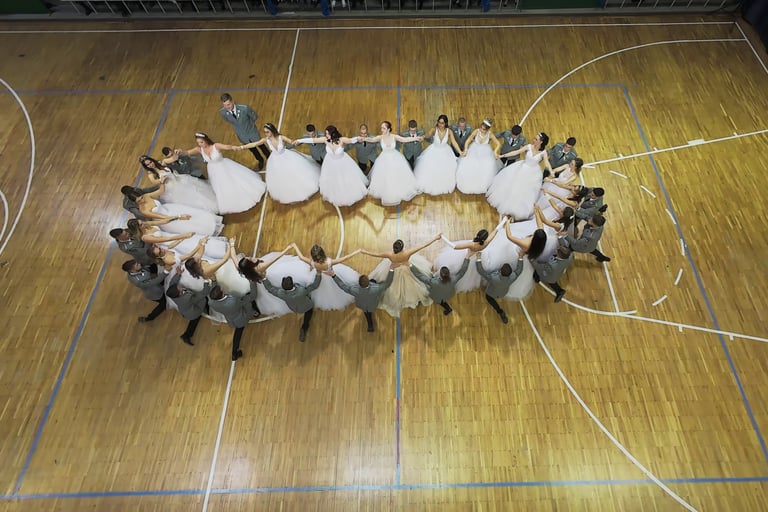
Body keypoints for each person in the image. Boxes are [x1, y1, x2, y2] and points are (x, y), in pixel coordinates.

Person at [181, 132, 266, 214]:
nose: (200, 144)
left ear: (206, 140)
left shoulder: (216, 146)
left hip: (223, 166)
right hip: (213, 171)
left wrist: (236, 147)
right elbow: (187, 152)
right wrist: (179, 152)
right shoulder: (199, 149)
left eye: (201, 142)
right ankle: (232, 202)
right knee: (222, 188)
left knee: (233, 182)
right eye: (199, 143)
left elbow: (227, 147)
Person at [362, 233, 441, 317]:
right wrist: (435, 238)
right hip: (407, 267)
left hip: (394, 268)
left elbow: (376, 255)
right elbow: (423, 245)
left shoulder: (389, 255)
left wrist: (364, 252)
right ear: (402, 248)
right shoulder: (407, 253)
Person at [241, 123, 320, 205]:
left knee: (295, 174)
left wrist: (297, 142)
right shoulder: (266, 140)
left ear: (272, 131)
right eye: (265, 132)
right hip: (275, 161)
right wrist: (241, 147)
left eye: (267, 132)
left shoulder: (281, 137)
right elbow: (254, 144)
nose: (266, 134)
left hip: (287, 157)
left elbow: (291, 142)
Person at [293, 125, 368, 207]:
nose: (326, 135)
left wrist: (358, 138)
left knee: (345, 179)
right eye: (326, 133)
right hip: (330, 163)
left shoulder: (341, 140)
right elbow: (312, 140)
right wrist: (299, 140)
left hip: (342, 163)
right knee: (333, 180)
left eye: (328, 133)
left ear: (333, 134)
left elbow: (351, 140)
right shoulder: (325, 140)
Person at [487, 132, 554, 220]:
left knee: (523, 192)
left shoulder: (543, 153)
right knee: (513, 186)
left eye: (536, 139)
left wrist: (551, 171)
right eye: (534, 138)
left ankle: (515, 208)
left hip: (532, 174)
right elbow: (516, 152)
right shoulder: (529, 146)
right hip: (521, 168)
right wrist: (502, 155)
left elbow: (546, 162)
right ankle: (506, 203)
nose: (534, 140)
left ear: (541, 142)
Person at [122, 186, 223, 236]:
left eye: (141, 198)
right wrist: (178, 217)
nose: (142, 201)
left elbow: (159, 192)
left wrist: (162, 182)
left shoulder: (146, 196)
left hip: (170, 208)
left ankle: (213, 224)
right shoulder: (143, 210)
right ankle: (210, 231)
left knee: (195, 215)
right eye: (139, 201)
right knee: (188, 225)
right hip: (167, 219)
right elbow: (161, 217)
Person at [364, 121, 423, 206]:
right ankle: (387, 193)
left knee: (395, 176)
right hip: (383, 161)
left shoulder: (394, 136)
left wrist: (416, 138)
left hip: (395, 158)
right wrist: (364, 138)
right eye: (381, 128)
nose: (381, 130)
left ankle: (397, 192)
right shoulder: (380, 137)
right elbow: (372, 139)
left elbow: (405, 139)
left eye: (383, 128)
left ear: (388, 129)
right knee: (386, 177)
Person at [291, 243, 362, 310]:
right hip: (331, 276)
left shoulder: (312, 263)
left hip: (320, 277)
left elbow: (301, 257)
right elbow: (344, 258)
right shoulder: (329, 262)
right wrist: (356, 252)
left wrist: (295, 247)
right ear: (322, 253)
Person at [139, 155, 218, 213]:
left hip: (179, 179)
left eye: (150, 162)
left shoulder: (161, 163)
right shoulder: (151, 175)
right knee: (190, 199)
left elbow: (172, 159)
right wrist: (161, 181)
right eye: (148, 164)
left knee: (196, 191)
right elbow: (155, 182)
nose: (151, 164)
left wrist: (175, 156)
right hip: (172, 188)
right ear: (146, 166)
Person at [329, 263, 395, 332]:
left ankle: (370, 325)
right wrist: (391, 269)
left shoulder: (354, 290)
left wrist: (333, 276)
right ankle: (370, 324)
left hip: (362, 305)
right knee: (373, 281)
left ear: (359, 284)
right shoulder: (377, 288)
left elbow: (342, 286)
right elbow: (388, 283)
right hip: (373, 305)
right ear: (368, 283)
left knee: (366, 313)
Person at [433, 228, 499, 292]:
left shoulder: (472, 244)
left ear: (477, 235)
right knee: (466, 271)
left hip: (467, 256)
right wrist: (504, 221)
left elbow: (455, 247)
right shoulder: (486, 242)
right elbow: (495, 231)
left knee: (454, 265)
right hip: (475, 258)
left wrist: (442, 237)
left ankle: (441, 275)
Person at [263, 273, 322, 342]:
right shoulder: (301, 290)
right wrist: (318, 274)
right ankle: (304, 328)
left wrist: (264, 278)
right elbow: (315, 285)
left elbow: (270, 289)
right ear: (292, 283)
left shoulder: (282, 294)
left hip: (294, 309)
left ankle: (304, 329)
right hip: (306, 306)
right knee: (308, 312)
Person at [409, 251, 472, 315]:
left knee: (439, 301)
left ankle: (447, 308)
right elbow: (462, 271)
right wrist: (467, 257)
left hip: (437, 296)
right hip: (447, 294)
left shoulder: (434, 282)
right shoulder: (453, 279)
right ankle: (448, 309)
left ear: (440, 275)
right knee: (443, 302)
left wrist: (411, 265)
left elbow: (420, 276)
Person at [413, 114, 462, 196]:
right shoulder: (434, 130)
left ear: (445, 123)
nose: (440, 124)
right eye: (439, 122)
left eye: (442, 123)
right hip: (433, 151)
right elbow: (427, 135)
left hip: (445, 152)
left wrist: (460, 152)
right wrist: (423, 137)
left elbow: (454, 142)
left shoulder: (449, 131)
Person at [219, 92, 270, 170]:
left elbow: (254, 117)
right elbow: (228, 120)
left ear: (232, 101)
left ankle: (269, 157)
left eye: (228, 104)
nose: (227, 107)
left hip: (252, 132)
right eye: (225, 105)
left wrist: (249, 126)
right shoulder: (223, 112)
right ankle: (260, 160)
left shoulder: (244, 108)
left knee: (261, 146)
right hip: (242, 136)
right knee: (253, 150)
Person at [208, 285, 257, 361]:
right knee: (239, 331)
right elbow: (251, 297)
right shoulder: (232, 301)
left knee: (238, 331)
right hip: (241, 318)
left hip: (231, 320)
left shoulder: (211, 303)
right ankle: (234, 352)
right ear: (222, 293)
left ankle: (235, 352)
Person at [166, 266, 212, 346]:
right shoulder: (186, 298)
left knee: (193, 322)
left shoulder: (172, 292)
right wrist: (206, 281)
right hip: (193, 312)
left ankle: (186, 335)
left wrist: (178, 274)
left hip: (186, 311)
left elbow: (172, 283)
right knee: (204, 302)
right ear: (179, 294)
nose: (179, 286)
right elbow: (203, 294)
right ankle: (208, 312)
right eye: (179, 288)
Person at [455, 118, 502, 194]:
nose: (481, 130)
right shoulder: (476, 131)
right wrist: (466, 149)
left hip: (485, 154)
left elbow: (498, 144)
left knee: (485, 168)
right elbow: (468, 140)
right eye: (481, 128)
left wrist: (495, 151)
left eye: (483, 129)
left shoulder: (490, 134)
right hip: (473, 151)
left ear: (487, 130)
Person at [475, 256, 525, 324]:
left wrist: (478, 258)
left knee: (489, 298)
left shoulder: (494, 278)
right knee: (492, 300)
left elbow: (481, 272)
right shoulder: (513, 277)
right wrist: (521, 258)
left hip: (491, 293)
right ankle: (500, 312)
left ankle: (500, 311)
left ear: (500, 271)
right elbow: (519, 270)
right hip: (502, 293)